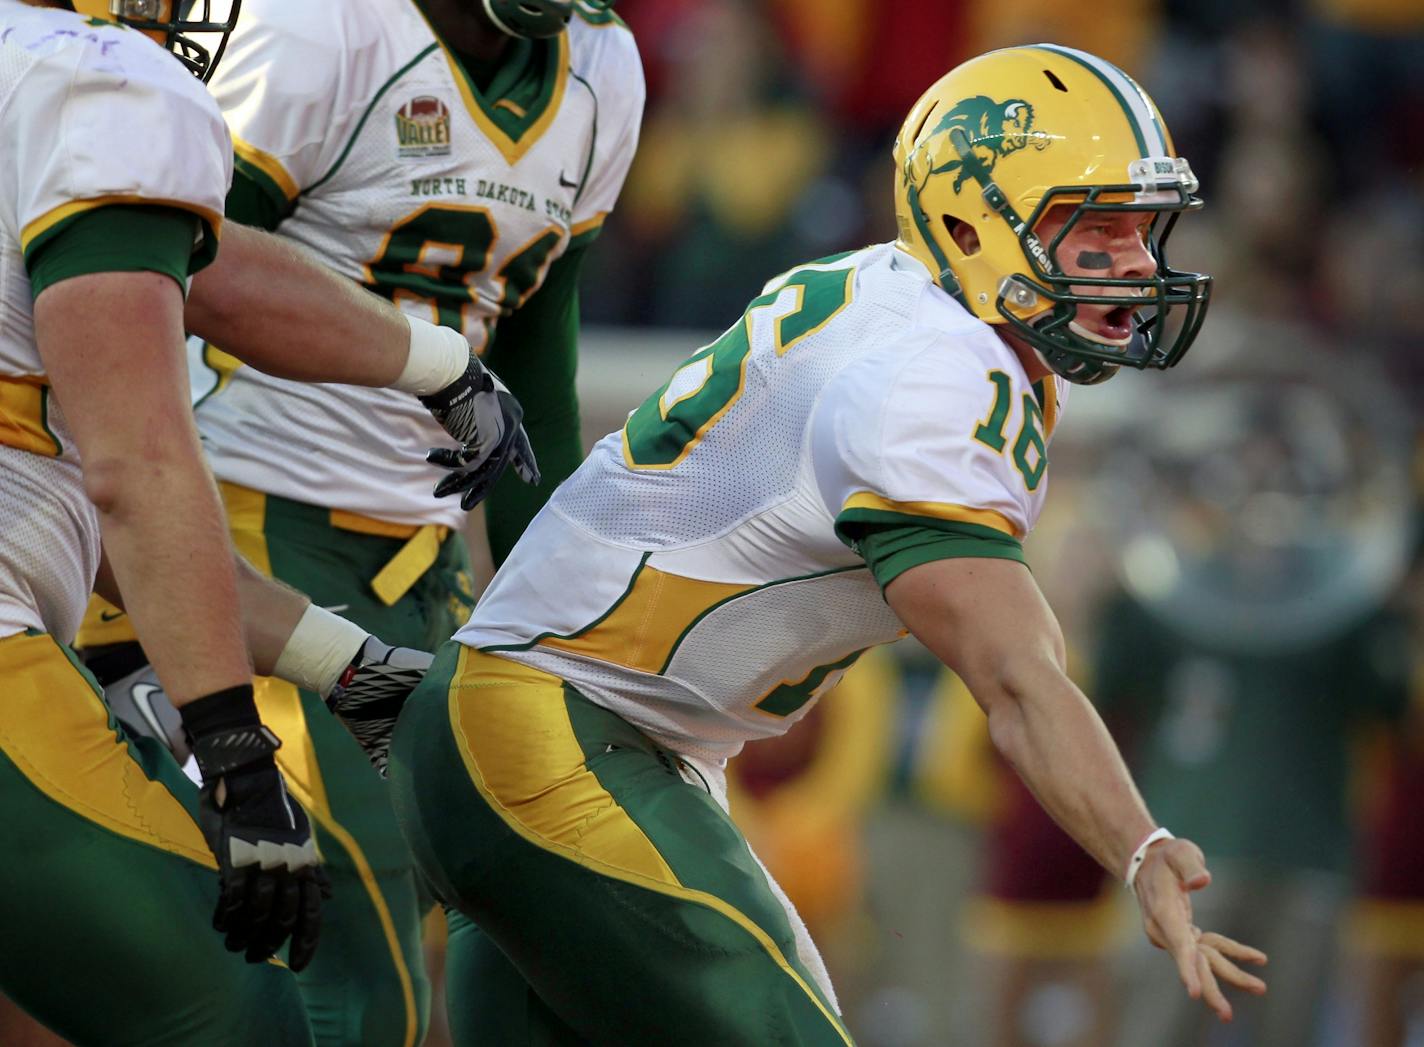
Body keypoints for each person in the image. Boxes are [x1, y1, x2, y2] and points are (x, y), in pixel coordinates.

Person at [389, 43, 1269, 1043]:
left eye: (1143, 231)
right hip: (561, 739)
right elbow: (1015, 679)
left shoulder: (899, 302)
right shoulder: (937, 377)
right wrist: (1138, 843)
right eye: (1095, 231)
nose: (1136, 268)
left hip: (543, 737)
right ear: (965, 222)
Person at [73, 0, 642, 1042]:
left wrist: (557, 610)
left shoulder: (605, 66)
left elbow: (534, 349)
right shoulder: (324, 28)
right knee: (361, 972)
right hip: (245, 521)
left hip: (420, 558)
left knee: (498, 909)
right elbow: (166, 260)